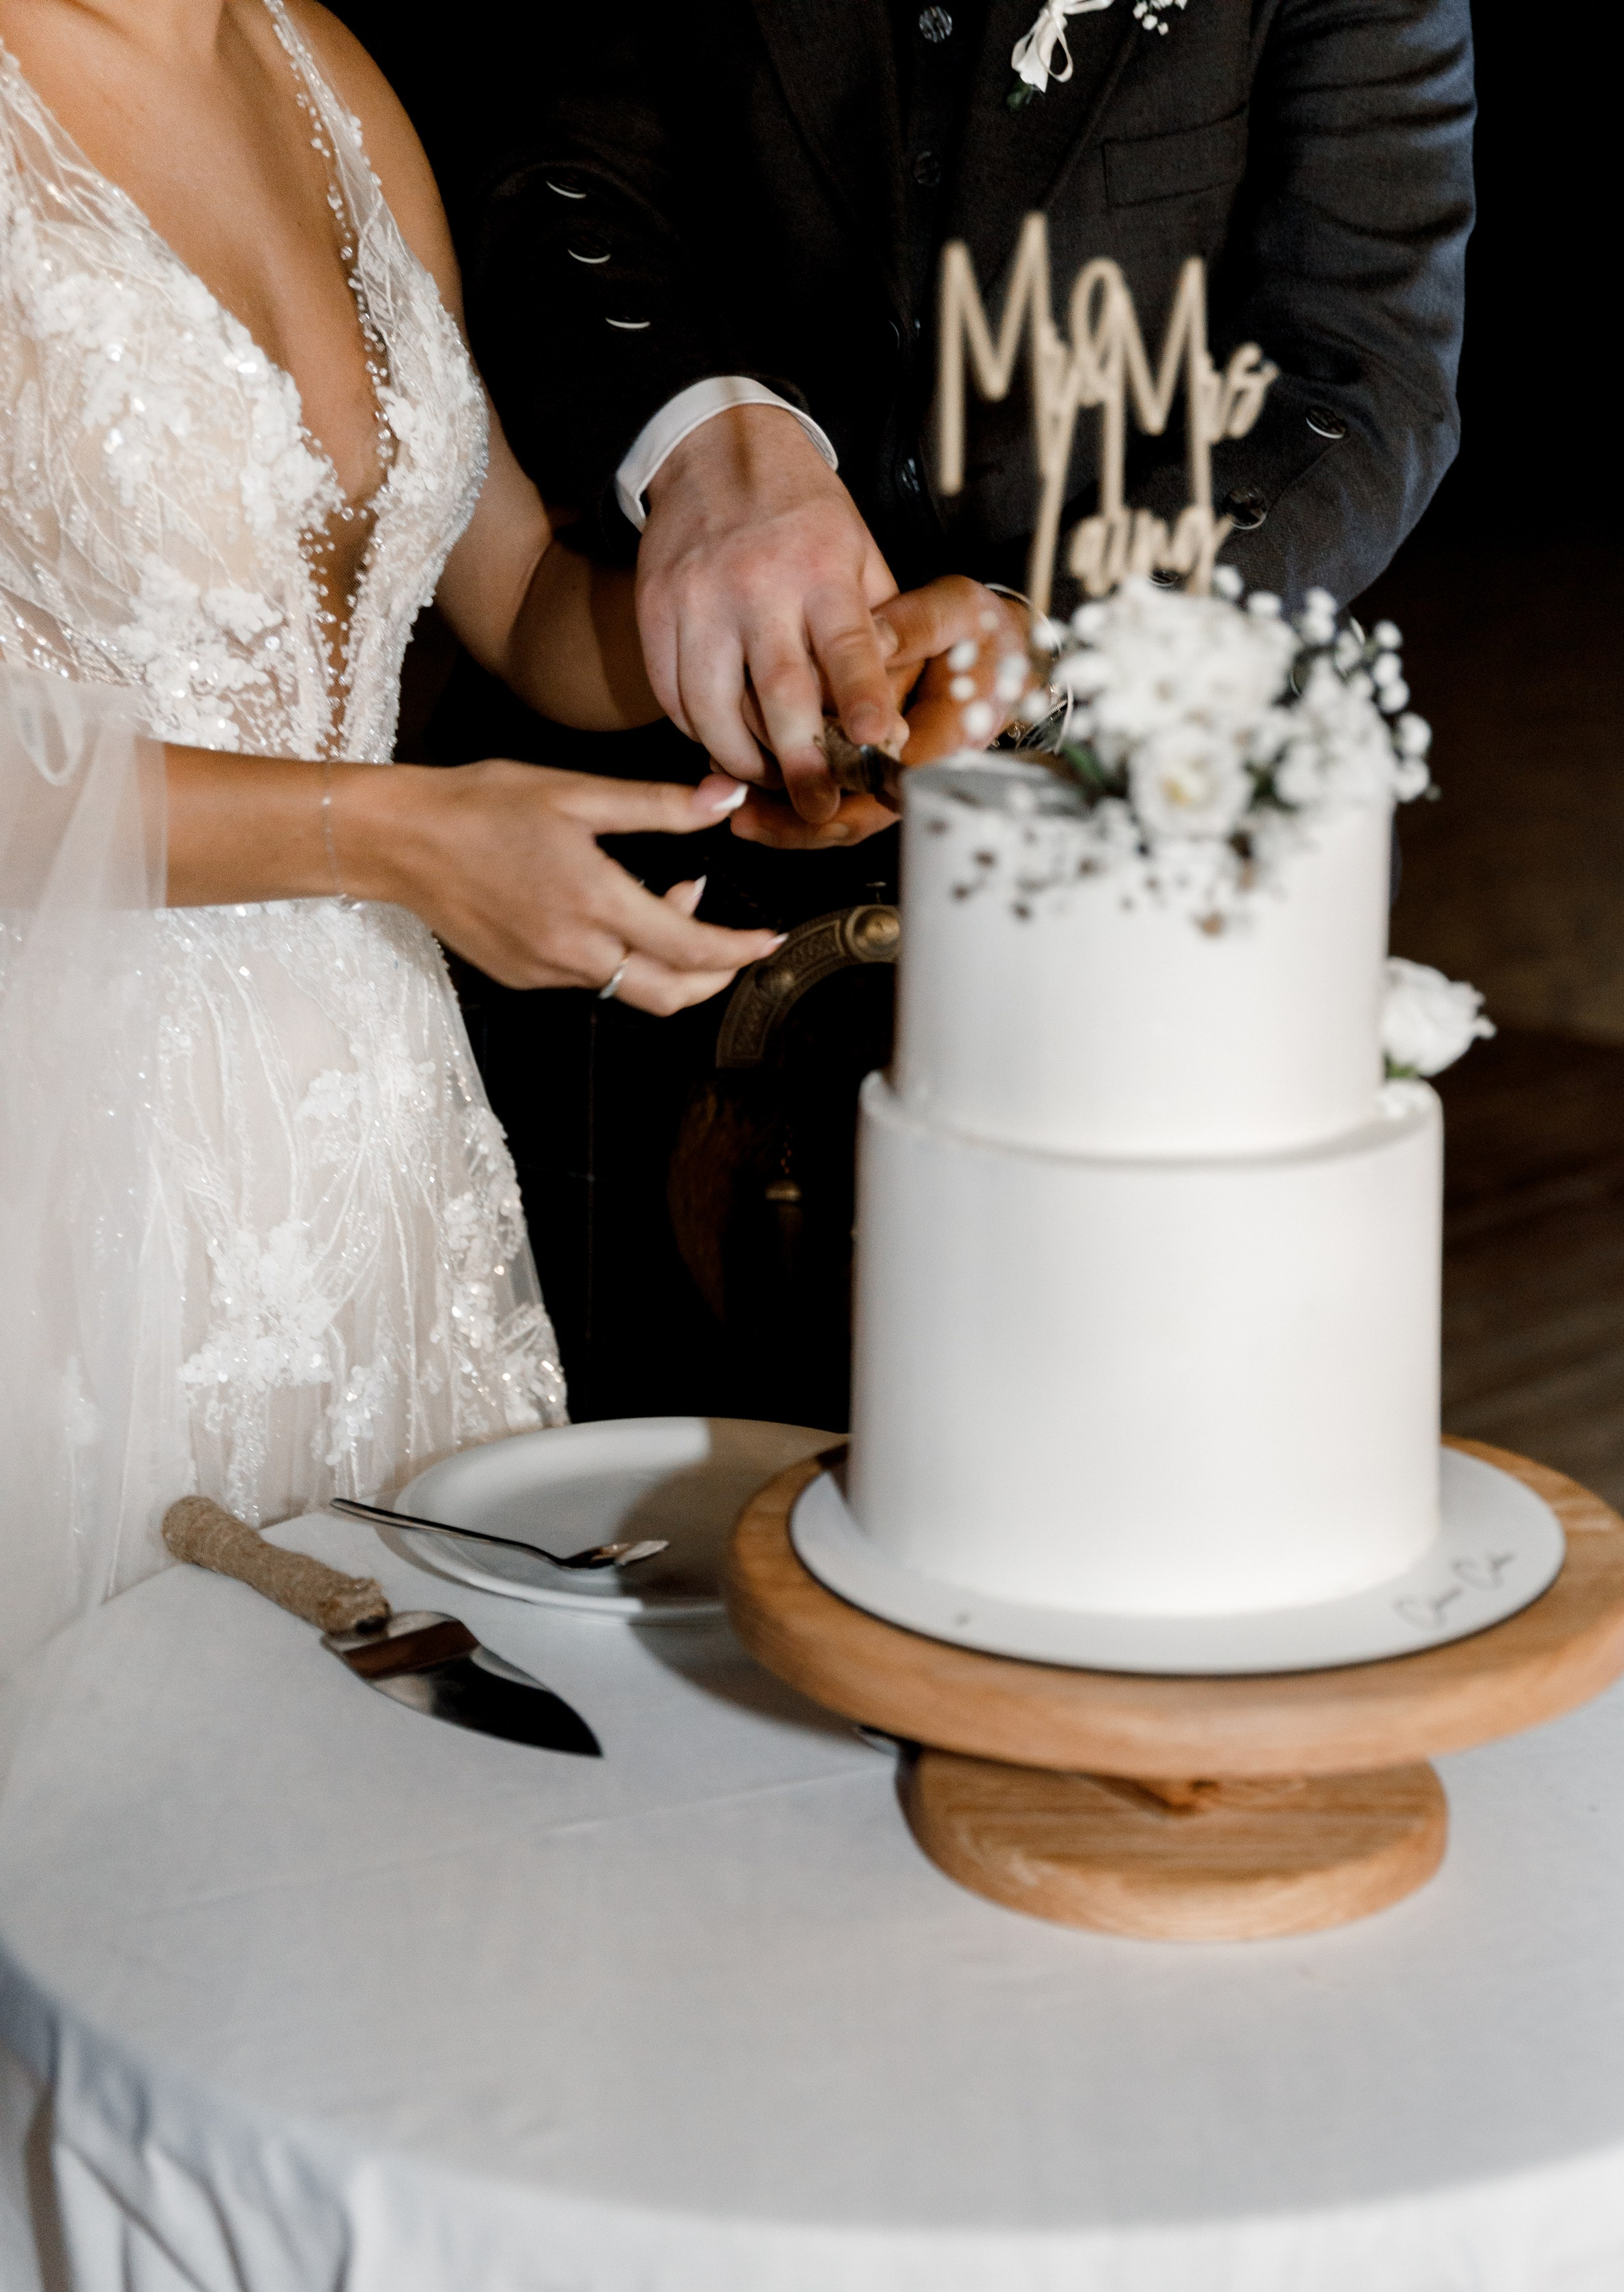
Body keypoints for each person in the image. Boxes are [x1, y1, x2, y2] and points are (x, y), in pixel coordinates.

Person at [0, 0, 1015, 1658]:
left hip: (375, 1141)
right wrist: (389, 837)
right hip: (54, 1155)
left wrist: (772, 681)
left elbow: (514, 592)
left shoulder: (314, 64)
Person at [351, 0, 1476, 1414]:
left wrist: (1052, 642)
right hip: (637, 811)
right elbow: (547, 159)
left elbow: (1362, 372)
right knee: (603, 1485)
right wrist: (706, 439)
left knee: (1090, 1471)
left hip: (1130, 855)